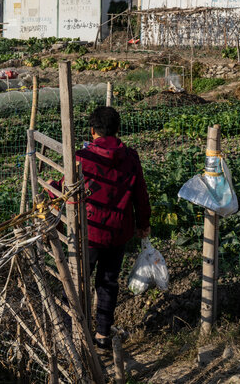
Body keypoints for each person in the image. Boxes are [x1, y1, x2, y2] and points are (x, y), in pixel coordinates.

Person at [76, 106, 151, 351]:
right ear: (118, 130)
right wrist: (143, 223)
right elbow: (140, 194)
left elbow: (66, 188)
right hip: (119, 231)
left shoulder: (83, 157)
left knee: (78, 281)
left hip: (90, 231)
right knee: (108, 282)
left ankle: (72, 330)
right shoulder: (130, 156)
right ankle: (102, 334)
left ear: (92, 130)